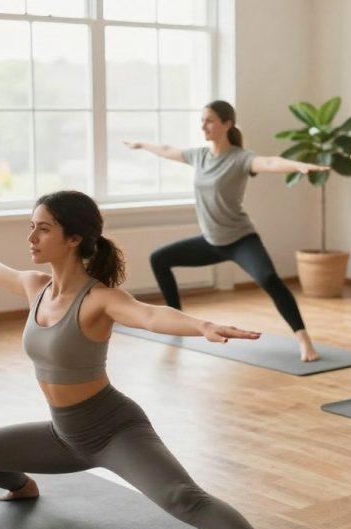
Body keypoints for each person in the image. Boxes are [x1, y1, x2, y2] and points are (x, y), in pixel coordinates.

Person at [0, 190, 297, 529]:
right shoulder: (35, 286)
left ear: (73, 239)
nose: (31, 237)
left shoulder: (99, 299)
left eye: (43, 229)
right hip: (63, 434)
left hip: (114, 431)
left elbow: (150, 315)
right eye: (31, 227)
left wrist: (203, 327)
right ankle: (23, 486)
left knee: (183, 498)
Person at [125, 100, 329, 362]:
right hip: (211, 241)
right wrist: (143, 145)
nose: (203, 126)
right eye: (202, 120)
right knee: (159, 258)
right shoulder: (199, 156)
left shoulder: (240, 159)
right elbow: (167, 150)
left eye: (209, 120)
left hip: (241, 240)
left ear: (227, 124)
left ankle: (304, 342)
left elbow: (268, 162)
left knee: (268, 279)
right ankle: (176, 322)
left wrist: (298, 166)